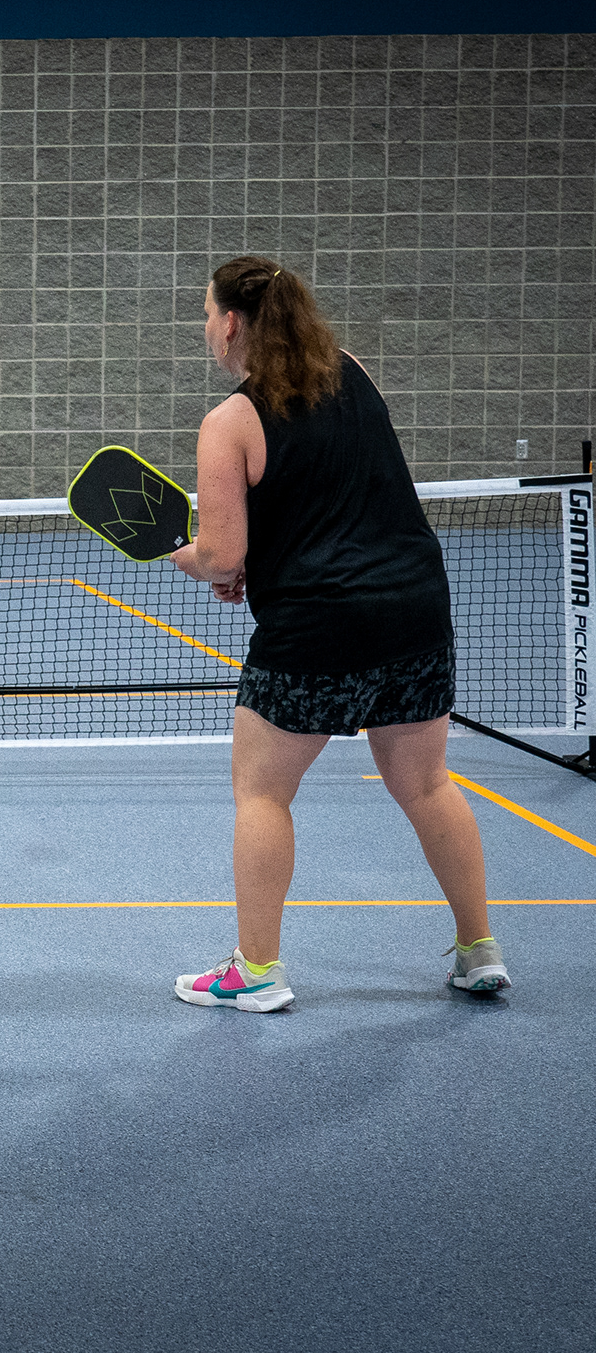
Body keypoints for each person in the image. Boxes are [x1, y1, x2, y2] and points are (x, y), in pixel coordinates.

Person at [169, 255, 508, 1011]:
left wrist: (188, 555)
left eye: (206, 314)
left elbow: (220, 554)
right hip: (414, 611)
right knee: (428, 784)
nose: (204, 327)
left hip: (317, 629)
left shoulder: (229, 423)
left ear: (232, 323)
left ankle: (256, 972)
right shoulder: (352, 370)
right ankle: (478, 950)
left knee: (262, 793)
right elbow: (336, 495)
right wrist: (252, 560)